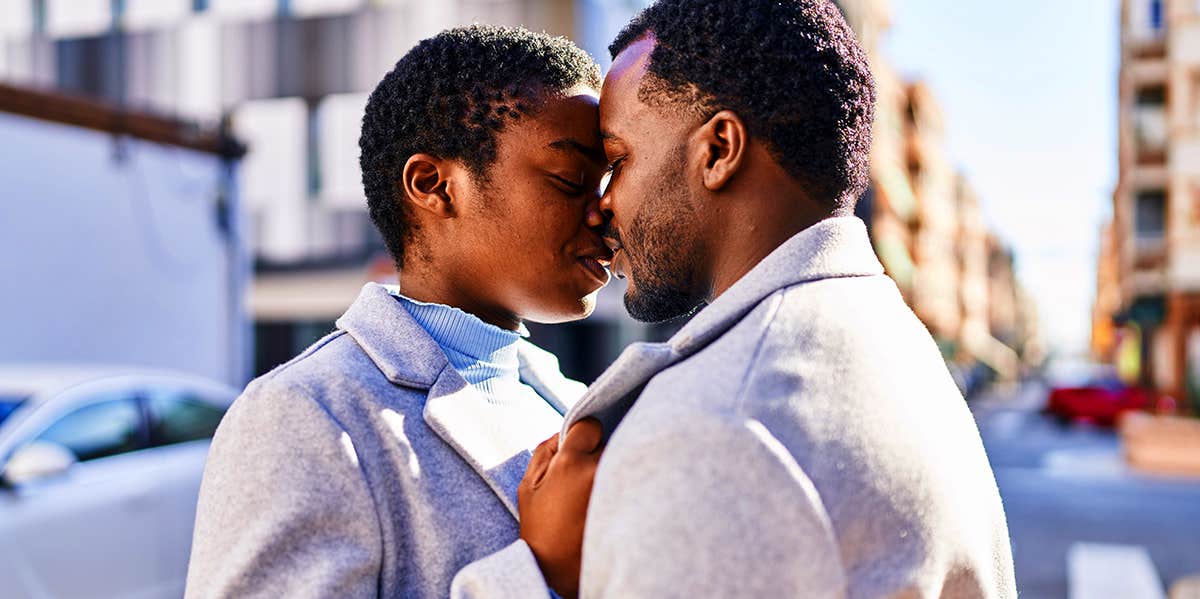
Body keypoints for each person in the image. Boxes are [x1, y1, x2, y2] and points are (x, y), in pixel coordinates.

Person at [454, 1, 1018, 597]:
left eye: (618, 161)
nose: (603, 203)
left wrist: (536, 574)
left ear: (719, 149)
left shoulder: (715, 429)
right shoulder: (896, 343)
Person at [184, 25, 611, 598]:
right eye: (571, 180)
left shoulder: (566, 396)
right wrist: (538, 572)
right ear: (433, 185)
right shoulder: (307, 413)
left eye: (609, 182)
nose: (604, 210)